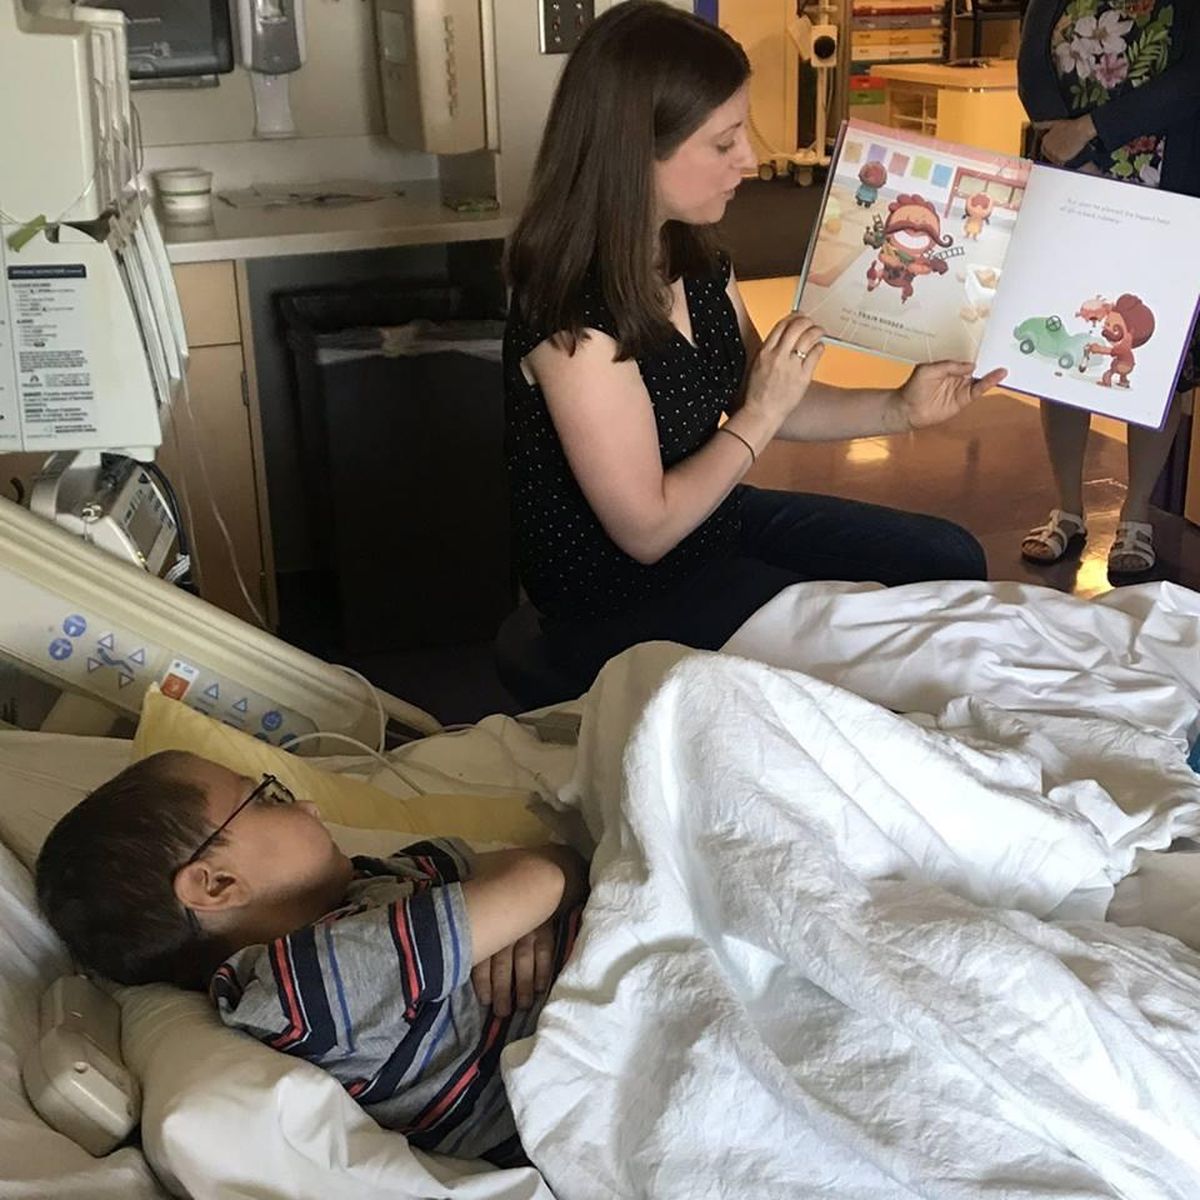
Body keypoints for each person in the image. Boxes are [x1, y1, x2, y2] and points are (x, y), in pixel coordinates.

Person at [503, 0, 1006, 697]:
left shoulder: (691, 255)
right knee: (878, 648)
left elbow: (760, 395)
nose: (752, 158)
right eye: (724, 141)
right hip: (619, 594)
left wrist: (899, 410)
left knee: (946, 558)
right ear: (635, 150)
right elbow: (646, 529)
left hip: (710, 526)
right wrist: (761, 415)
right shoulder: (572, 319)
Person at [35, 752, 588, 1167]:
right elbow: (542, 874)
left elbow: (545, 863)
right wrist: (533, 899)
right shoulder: (308, 982)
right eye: (268, 798)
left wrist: (529, 908)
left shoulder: (361, 888)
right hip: (579, 1090)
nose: (309, 804)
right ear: (218, 884)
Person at [1017, 0, 1200, 577]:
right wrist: (1064, 142)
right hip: (1066, 174)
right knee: (1063, 342)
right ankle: (1068, 508)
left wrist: (1094, 133)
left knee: (1154, 356)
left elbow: (1193, 78)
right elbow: (1033, 64)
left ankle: (1136, 515)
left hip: (1165, 186)